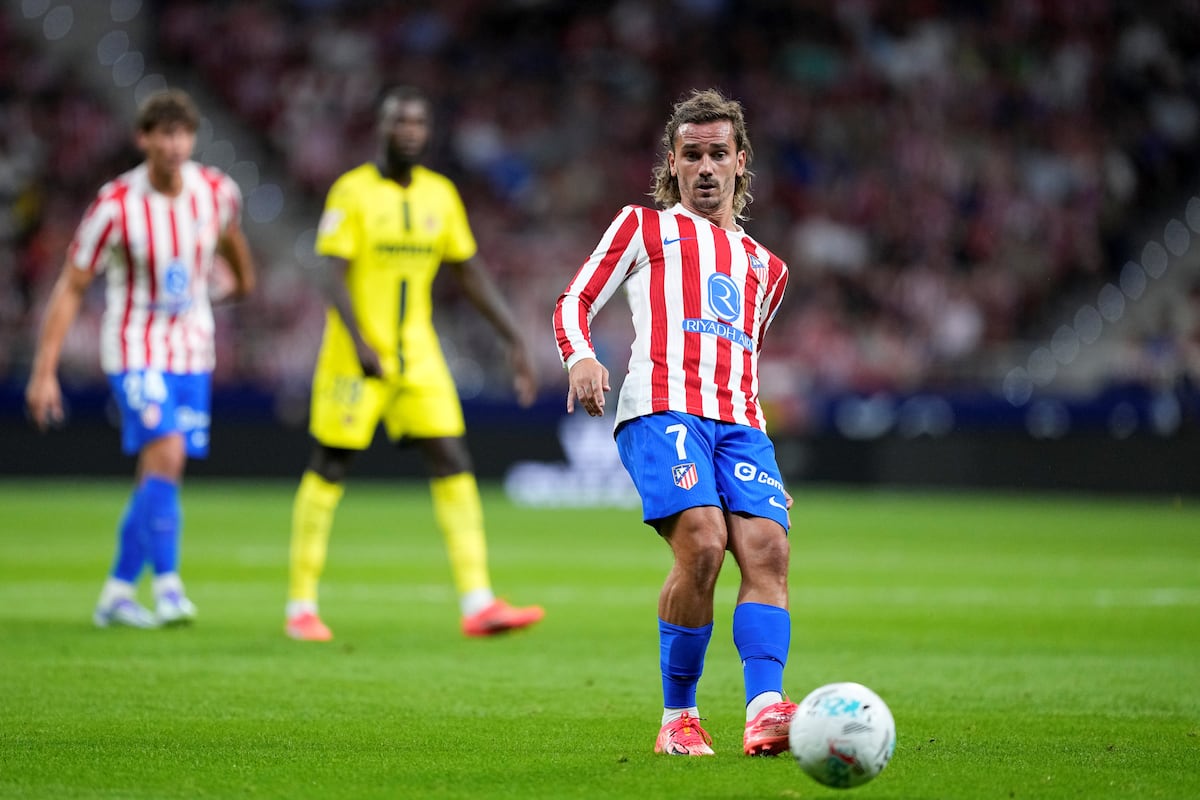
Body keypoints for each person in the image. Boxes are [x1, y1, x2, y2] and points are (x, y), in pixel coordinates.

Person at [553, 89, 795, 756]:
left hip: (740, 422)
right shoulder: (642, 227)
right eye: (694, 155)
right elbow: (574, 299)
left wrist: (766, 456)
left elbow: (745, 358)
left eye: (720, 153)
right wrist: (581, 356)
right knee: (705, 544)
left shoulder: (767, 270)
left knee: (769, 550)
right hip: (661, 408)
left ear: (741, 161)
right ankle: (677, 719)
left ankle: (765, 711)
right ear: (674, 163)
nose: (707, 167)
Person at [285, 85, 544, 641]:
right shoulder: (351, 192)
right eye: (399, 121)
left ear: (427, 132)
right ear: (381, 128)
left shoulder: (440, 195)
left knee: (451, 456)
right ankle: (301, 606)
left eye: (418, 122)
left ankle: (478, 601)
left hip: (418, 351)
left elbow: (468, 269)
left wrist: (514, 336)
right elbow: (330, 271)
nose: (409, 130)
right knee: (332, 463)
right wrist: (358, 340)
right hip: (355, 355)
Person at [25, 89, 257, 629]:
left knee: (159, 472)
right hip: (134, 346)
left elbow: (232, 239)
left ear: (192, 138)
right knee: (169, 454)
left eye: (183, 133)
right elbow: (71, 286)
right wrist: (44, 371)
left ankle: (117, 591)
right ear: (144, 138)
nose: (175, 144)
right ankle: (170, 587)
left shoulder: (217, 192)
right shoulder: (115, 206)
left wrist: (242, 282)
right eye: (164, 133)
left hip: (193, 349)